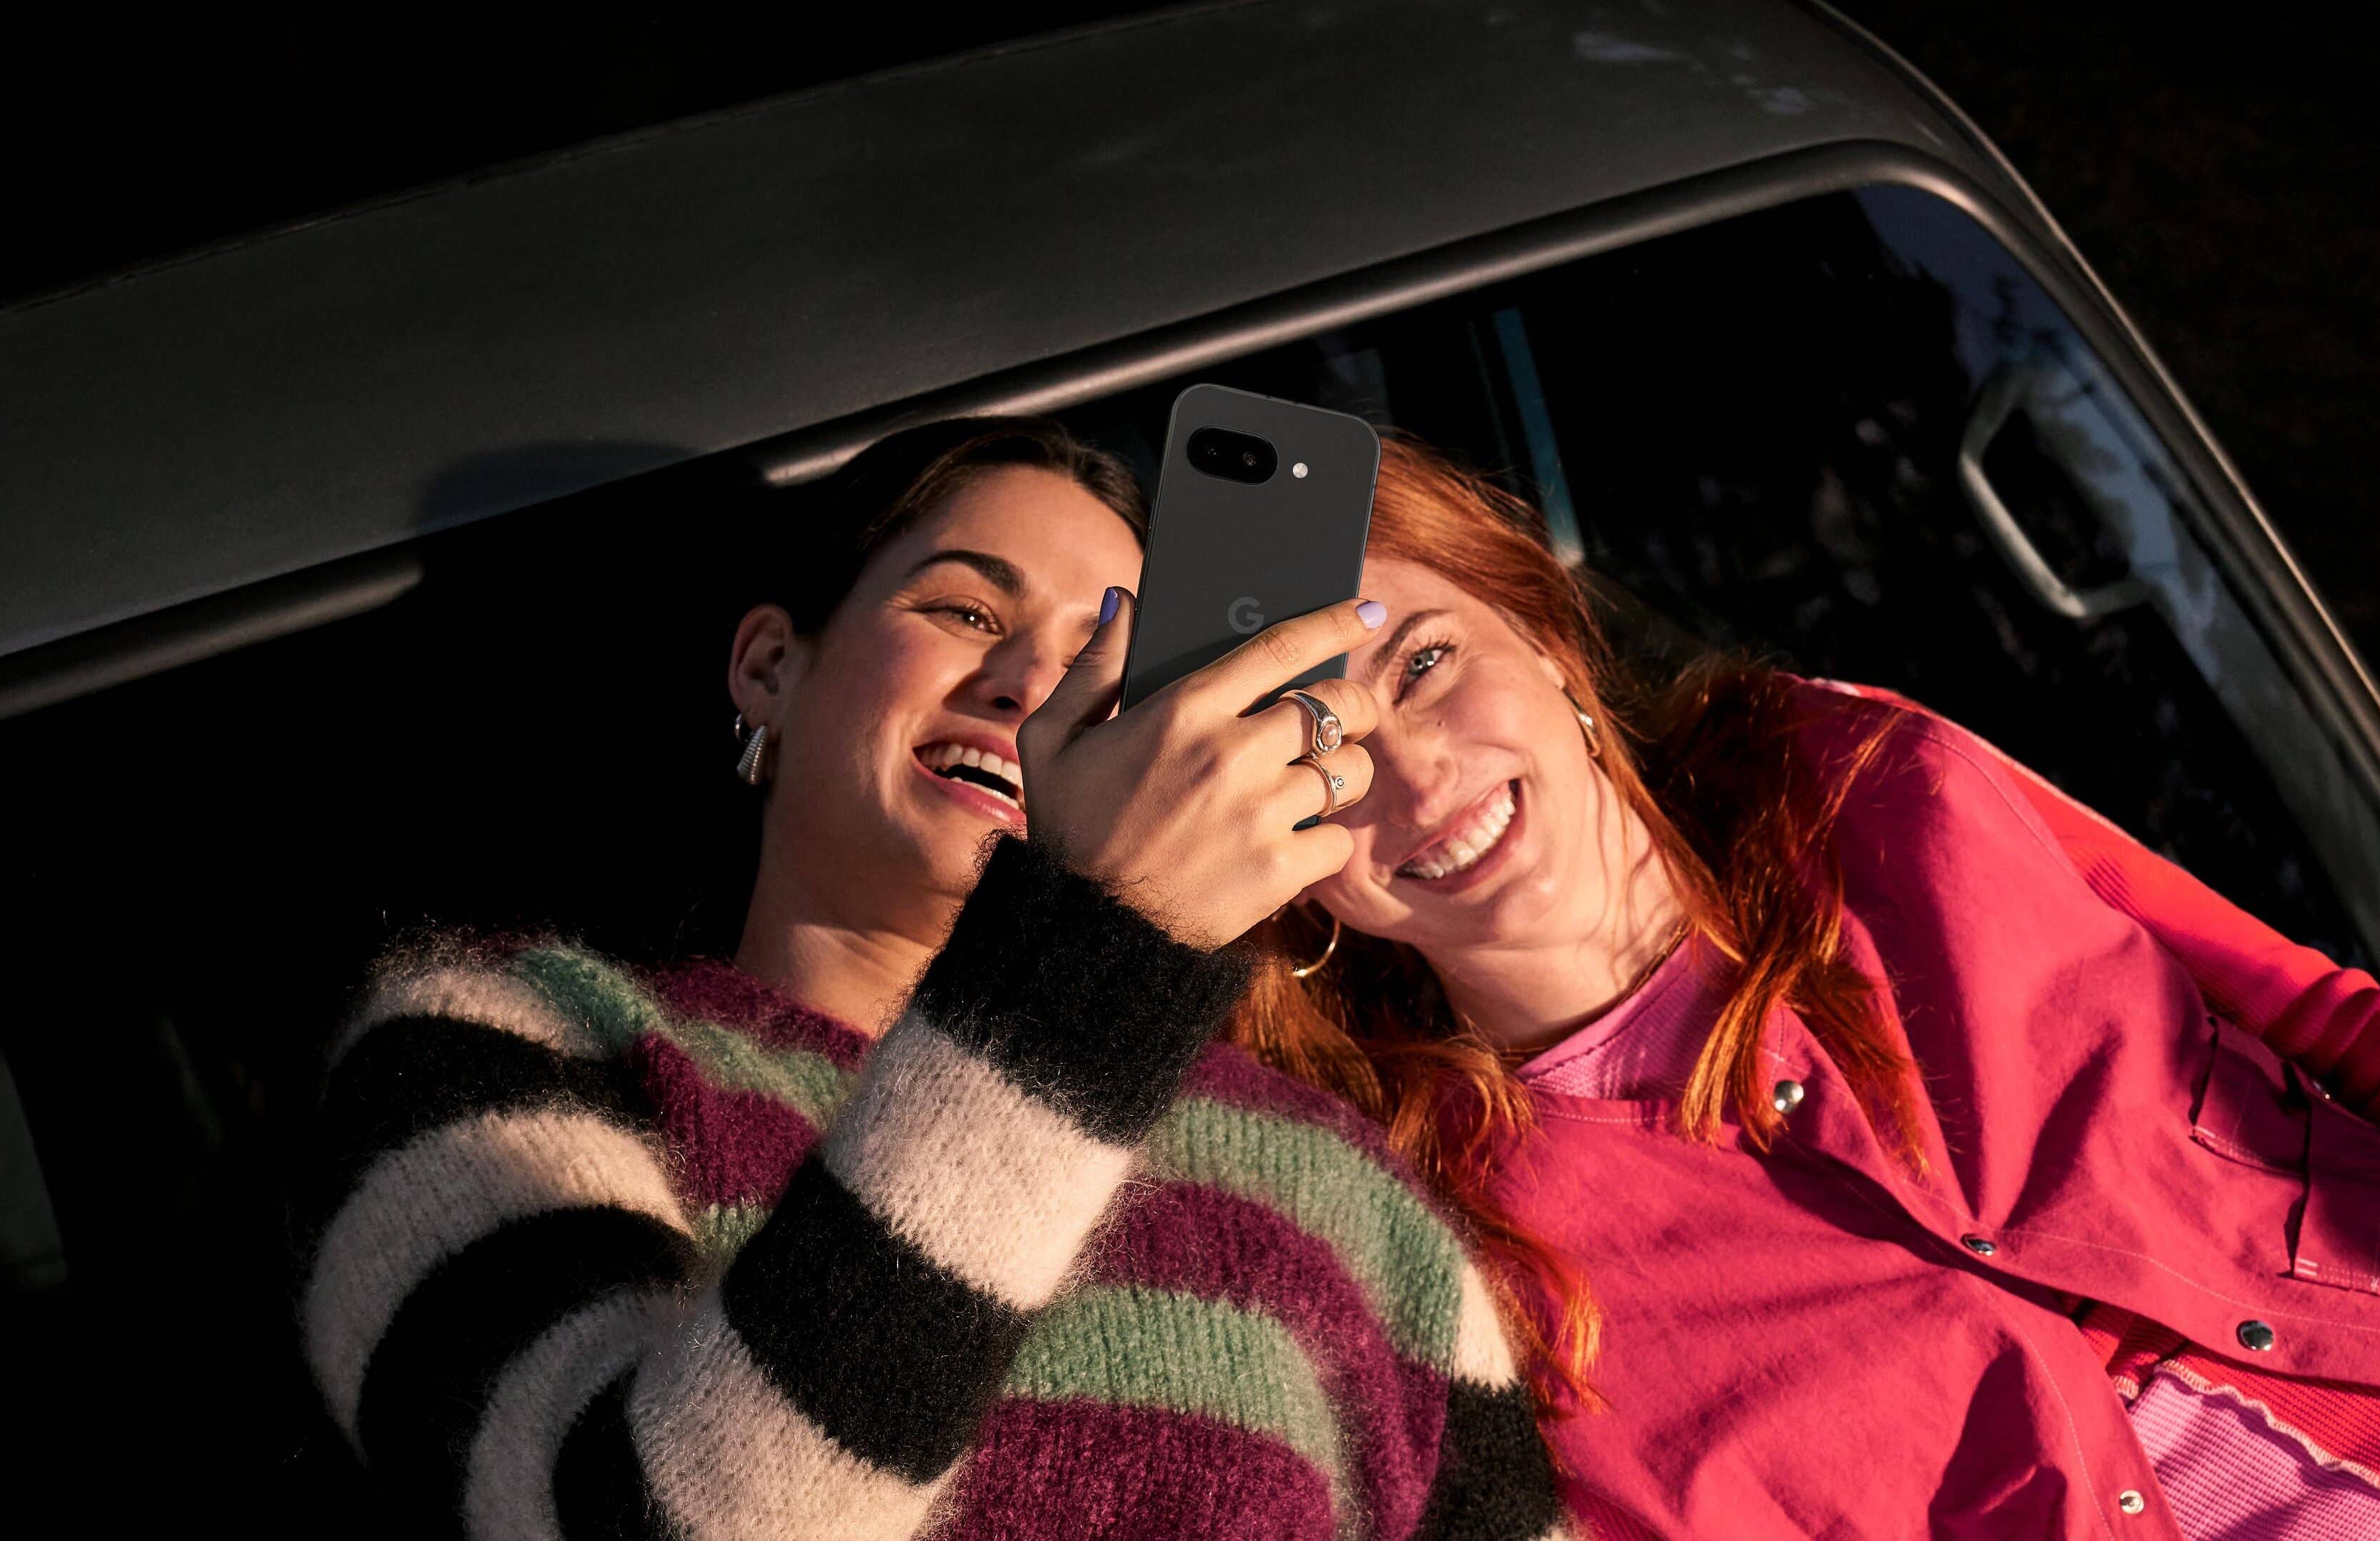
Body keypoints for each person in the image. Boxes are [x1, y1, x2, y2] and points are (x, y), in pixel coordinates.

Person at [1231, 436, 2380, 1540]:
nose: (1413, 774)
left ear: (1541, 632)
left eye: (1423, 662)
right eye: (1320, 755)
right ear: (1288, 864)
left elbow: (2336, 1027)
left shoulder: (1853, 775)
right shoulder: (1446, 1255)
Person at [295, 417, 1568, 1540]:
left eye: (1101, 658)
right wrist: (1094, 957)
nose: (1027, 684)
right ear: (768, 669)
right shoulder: (500, 1049)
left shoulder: (1329, 1186)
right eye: (964, 612)